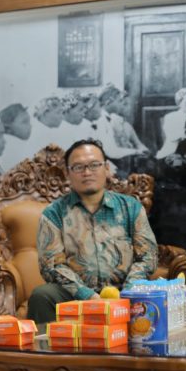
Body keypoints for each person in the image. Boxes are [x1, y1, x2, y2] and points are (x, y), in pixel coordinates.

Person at [26, 138, 158, 325]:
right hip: (75, 295)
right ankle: (50, 352)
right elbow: (52, 265)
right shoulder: (54, 213)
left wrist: (127, 291)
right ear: (68, 174)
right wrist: (88, 296)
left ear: (106, 169)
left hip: (126, 291)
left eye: (94, 165)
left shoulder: (130, 207)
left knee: (158, 292)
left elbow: (147, 256)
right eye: (78, 167)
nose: (87, 172)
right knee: (42, 295)